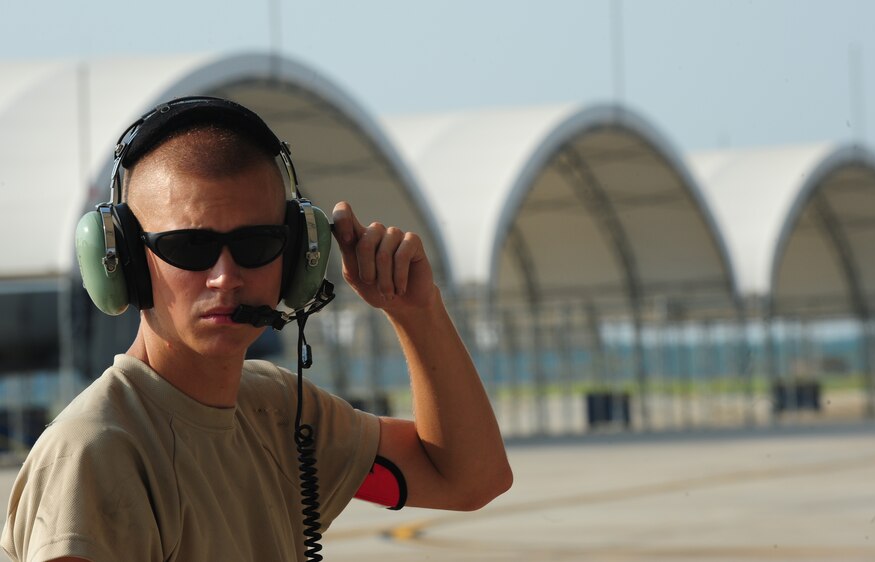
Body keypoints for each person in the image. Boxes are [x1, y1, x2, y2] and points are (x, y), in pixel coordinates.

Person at [1, 97, 512, 562]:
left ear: (295, 258)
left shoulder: (278, 412)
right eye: (189, 247)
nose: (226, 276)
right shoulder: (95, 453)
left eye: (256, 243)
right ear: (125, 261)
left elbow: (470, 480)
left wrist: (417, 311)